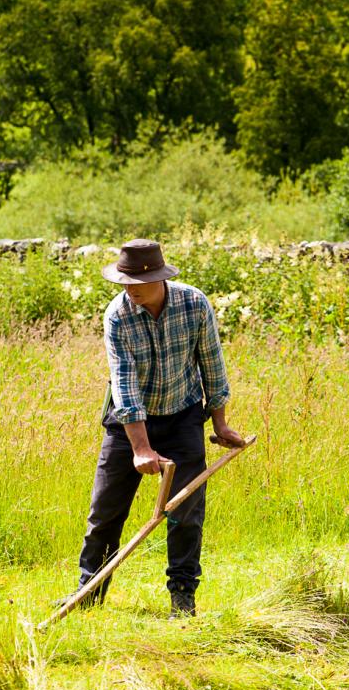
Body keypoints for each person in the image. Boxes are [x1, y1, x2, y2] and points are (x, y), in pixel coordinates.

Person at [57, 238, 245, 618]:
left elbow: (212, 364)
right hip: (127, 425)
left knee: (186, 513)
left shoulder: (194, 304)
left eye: (137, 285)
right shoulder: (118, 316)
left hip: (182, 417)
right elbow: (123, 383)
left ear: (160, 278)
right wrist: (141, 448)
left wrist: (221, 423)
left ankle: (182, 599)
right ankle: (87, 595)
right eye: (124, 283)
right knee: (105, 513)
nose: (130, 291)